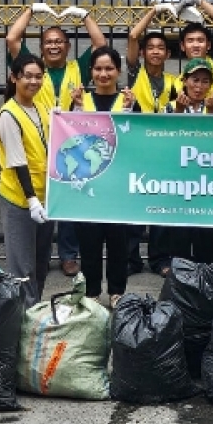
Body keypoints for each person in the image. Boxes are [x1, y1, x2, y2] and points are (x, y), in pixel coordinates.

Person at [5, 2, 107, 278]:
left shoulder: (78, 67)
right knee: (41, 197)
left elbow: (100, 43)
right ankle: (41, 253)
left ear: (67, 47)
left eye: (59, 42)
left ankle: (68, 255)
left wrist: (84, 15)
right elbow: (12, 38)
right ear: (40, 47)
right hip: (37, 140)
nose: (54, 46)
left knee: (70, 197)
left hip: (72, 142)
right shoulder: (34, 70)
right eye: (48, 42)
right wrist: (30, 10)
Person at [69, 46, 139, 309]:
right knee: (88, 240)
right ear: (91, 72)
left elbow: (135, 138)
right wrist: (75, 109)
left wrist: (131, 111)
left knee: (118, 240)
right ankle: (91, 290)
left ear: (118, 71)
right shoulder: (80, 101)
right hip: (87, 183)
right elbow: (69, 138)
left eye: (109, 68)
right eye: (98, 69)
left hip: (118, 184)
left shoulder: (128, 101)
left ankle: (117, 290)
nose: (103, 74)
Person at [126, 4, 184, 275]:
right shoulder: (134, 74)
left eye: (161, 47)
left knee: (161, 204)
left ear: (168, 53)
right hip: (137, 148)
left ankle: (160, 259)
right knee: (135, 202)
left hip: (164, 151)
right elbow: (133, 36)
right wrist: (155, 11)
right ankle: (131, 258)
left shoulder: (176, 82)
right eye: (151, 47)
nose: (156, 51)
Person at [0, 53, 54, 307]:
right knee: (22, 268)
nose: (33, 81)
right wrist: (31, 200)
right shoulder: (9, 115)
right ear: (14, 78)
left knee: (41, 264)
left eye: (38, 76)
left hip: (45, 196)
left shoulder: (40, 106)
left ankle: (36, 311)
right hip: (20, 200)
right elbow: (18, 161)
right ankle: (24, 321)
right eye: (27, 76)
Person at [158, 58, 213, 275]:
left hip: (207, 181)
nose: (199, 86)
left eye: (205, 81)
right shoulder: (169, 107)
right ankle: (180, 281)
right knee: (179, 233)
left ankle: (207, 280)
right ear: (184, 81)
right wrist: (179, 109)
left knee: (206, 234)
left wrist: (212, 112)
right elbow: (166, 140)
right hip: (180, 180)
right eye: (195, 80)